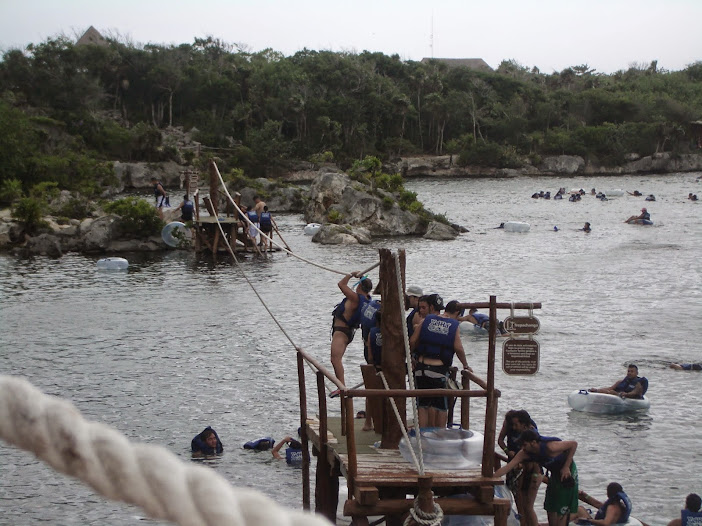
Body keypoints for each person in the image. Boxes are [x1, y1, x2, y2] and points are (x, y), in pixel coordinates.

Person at [409, 294, 470, 428]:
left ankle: (423, 440)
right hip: (438, 372)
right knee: (441, 407)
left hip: (421, 370)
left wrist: (412, 357)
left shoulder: (427, 320)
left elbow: (412, 341)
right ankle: (439, 438)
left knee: (423, 406)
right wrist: (465, 365)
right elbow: (458, 348)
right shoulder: (454, 325)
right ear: (458, 313)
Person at [495, 429, 578, 526]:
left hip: (567, 471)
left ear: (533, 443)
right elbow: (508, 467)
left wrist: (566, 467)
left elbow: (573, 444)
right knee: (550, 505)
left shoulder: (551, 447)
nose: (523, 448)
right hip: (554, 473)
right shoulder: (524, 453)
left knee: (562, 506)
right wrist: (492, 477)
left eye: (525, 445)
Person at [330, 272, 373, 394]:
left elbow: (341, 284)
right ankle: (341, 385)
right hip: (346, 332)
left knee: (335, 359)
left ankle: (341, 386)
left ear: (359, 286)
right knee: (336, 359)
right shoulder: (367, 300)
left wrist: (350, 275)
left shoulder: (355, 298)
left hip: (341, 332)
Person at [497, 410, 541, 526]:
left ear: (525, 425)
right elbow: (500, 440)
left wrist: (533, 472)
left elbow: (537, 456)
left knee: (527, 502)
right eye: (512, 424)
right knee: (518, 495)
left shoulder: (532, 431)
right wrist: (507, 451)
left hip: (527, 464)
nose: (514, 427)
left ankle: (526, 522)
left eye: (516, 425)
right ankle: (522, 521)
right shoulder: (509, 424)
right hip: (515, 460)